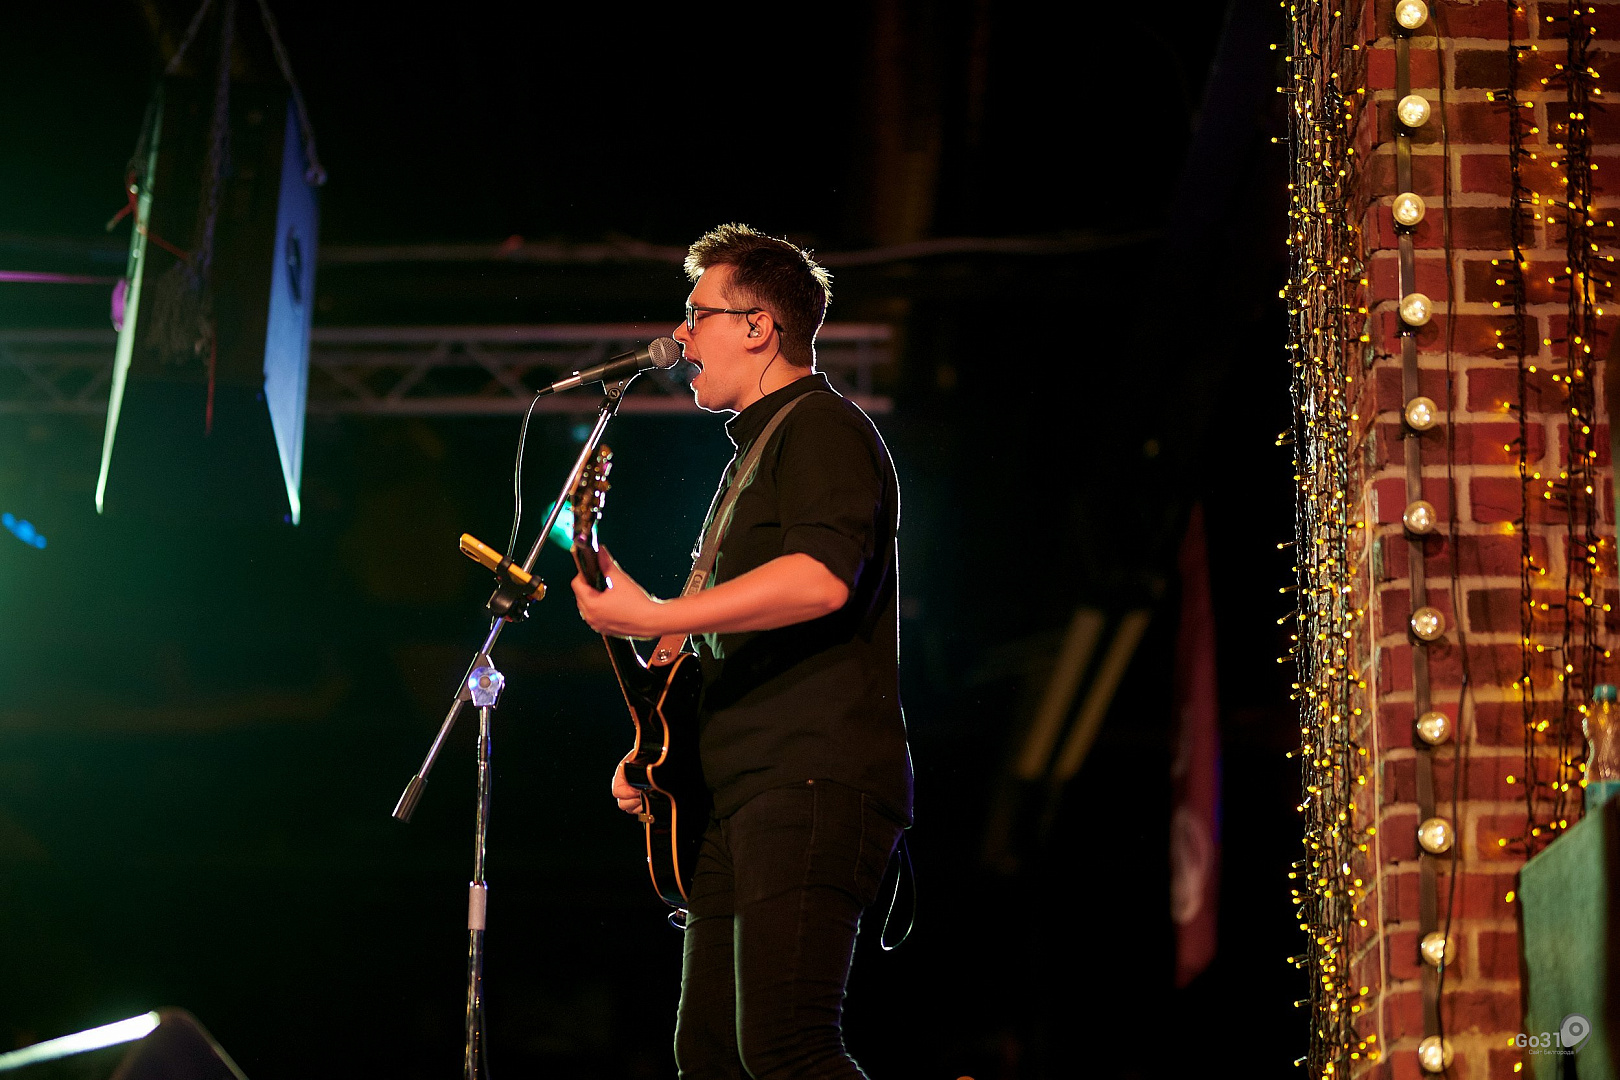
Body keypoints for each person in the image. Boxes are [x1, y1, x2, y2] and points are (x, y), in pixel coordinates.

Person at [571, 223, 912, 1079]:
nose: (680, 337)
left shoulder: (822, 426)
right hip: (738, 790)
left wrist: (658, 613)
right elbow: (713, 639)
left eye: (698, 315)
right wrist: (657, 749)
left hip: (807, 777)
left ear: (759, 326)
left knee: (789, 1049)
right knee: (713, 1057)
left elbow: (821, 580)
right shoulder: (753, 456)